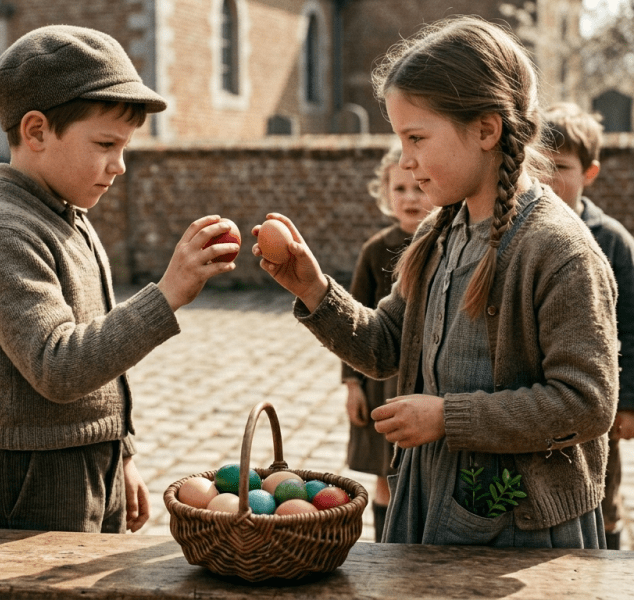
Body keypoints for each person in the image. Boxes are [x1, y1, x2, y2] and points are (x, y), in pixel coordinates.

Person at [252, 16, 618, 547]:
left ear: (487, 130)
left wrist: (449, 416)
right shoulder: (441, 229)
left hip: (523, 533)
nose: (406, 160)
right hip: (429, 498)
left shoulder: (557, 250)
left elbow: (587, 403)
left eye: (417, 137)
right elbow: (385, 347)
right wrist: (313, 290)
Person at [0, 25, 240, 534]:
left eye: (123, 146)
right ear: (37, 131)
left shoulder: (65, 213)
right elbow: (59, 366)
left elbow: (100, 344)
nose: (120, 165)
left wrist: (120, 452)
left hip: (89, 459)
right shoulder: (2, 231)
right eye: (106, 143)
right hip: (31, 478)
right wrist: (167, 295)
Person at [542, 102, 634, 550]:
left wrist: (629, 402)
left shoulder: (612, 240)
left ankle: (608, 557)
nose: (546, 176)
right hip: (541, 393)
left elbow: (632, 326)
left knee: (602, 491)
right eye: (537, 164)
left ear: (589, 172)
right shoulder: (519, 230)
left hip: (598, 400)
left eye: (560, 167)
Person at [342, 143, 432, 542]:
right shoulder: (375, 250)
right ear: (385, 193)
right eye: (400, 190)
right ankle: (385, 545)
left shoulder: (444, 241)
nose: (410, 198)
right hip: (381, 384)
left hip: (428, 380)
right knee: (386, 474)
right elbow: (353, 322)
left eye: (418, 188)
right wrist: (352, 385)